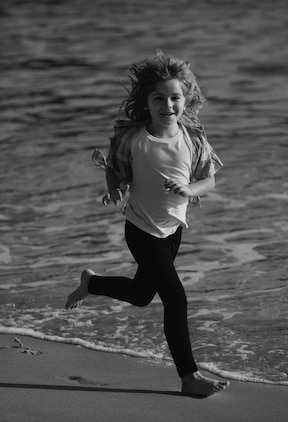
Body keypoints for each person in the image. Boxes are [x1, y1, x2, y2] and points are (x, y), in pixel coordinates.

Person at [65, 50, 229, 397]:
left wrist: (188, 188)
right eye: (159, 98)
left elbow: (209, 181)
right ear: (146, 101)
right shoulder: (135, 139)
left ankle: (92, 284)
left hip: (173, 230)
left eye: (175, 97)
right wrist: (114, 189)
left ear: (186, 99)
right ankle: (189, 377)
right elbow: (113, 167)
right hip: (141, 229)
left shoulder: (193, 139)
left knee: (141, 296)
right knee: (176, 298)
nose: (167, 105)